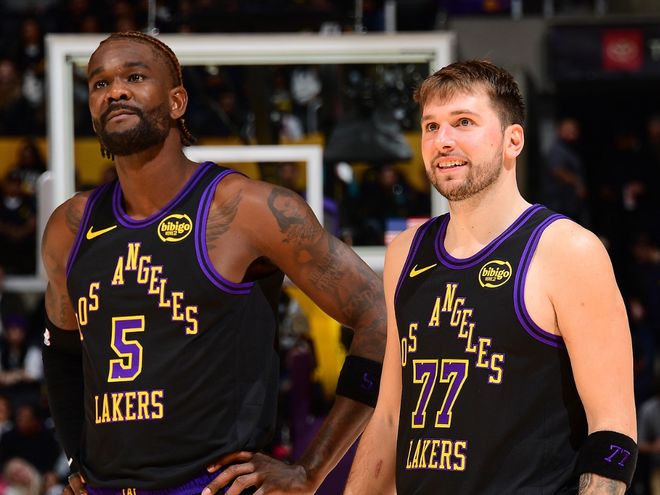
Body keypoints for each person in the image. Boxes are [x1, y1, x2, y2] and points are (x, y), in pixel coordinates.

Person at [40, 31, 386, 495]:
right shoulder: (69, 227)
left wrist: (311, 469)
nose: (115, 91)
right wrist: (75, 459)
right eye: (100, 83)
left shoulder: (247, 209)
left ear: (177, 102)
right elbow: (61, 350)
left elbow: (380, 318)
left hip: (211, 485)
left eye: (134, 77)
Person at [344, 60, 637, 494]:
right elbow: (389, 416)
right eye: (431, 126)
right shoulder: (405, 254)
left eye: (463, 122)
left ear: (512, 140)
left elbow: (612, 433)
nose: (443, 140)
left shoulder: (567, 251)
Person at [542, 116, 590, 226]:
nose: (571, 133)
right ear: (560, 130)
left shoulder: (571, 149)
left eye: (573, 130)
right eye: (568, 130)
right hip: (559, 204)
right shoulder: (557, 150)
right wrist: (577, 182)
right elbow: (557, 170)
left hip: (571, 204)